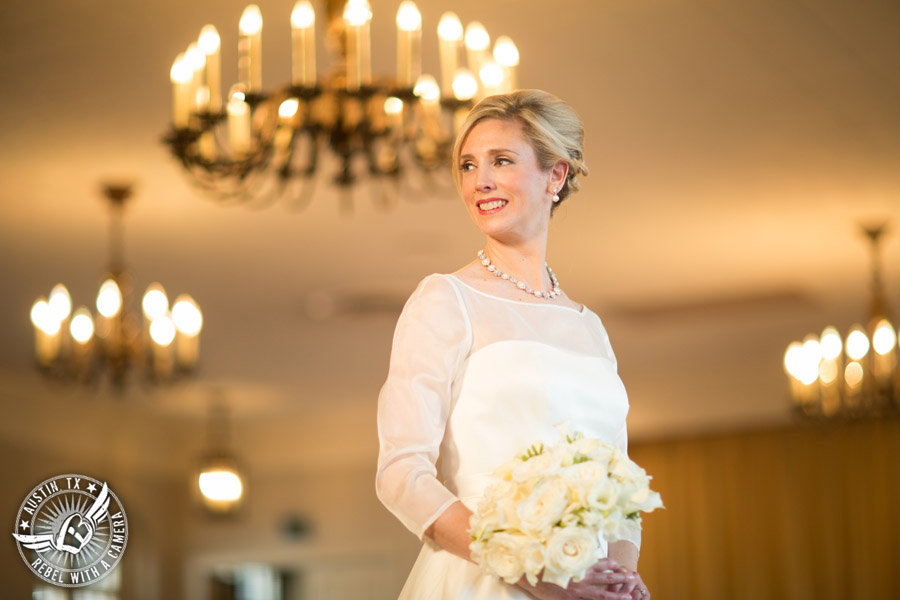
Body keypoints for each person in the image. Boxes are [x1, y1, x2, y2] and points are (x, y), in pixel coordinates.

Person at [376, 89, 650, 600]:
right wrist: (529, 570)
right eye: (467, 165)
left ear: (556, 175)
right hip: (481, 579)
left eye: (501, 161)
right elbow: (400, 474)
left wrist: (619, 579)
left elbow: (621, 493)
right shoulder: (445, 299)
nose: (480, 181)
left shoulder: (590, 328)